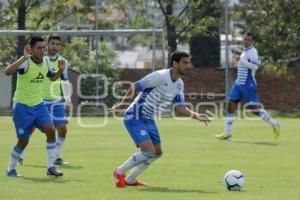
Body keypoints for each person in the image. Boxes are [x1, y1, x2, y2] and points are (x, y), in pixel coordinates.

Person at [110, 50, 211, 188]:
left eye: (189, 62)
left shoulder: (179, 84)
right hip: (135, 116)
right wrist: (123, 104)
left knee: (157, 153)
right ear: (175, 64)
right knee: (148, 152)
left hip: (148, 119)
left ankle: (131, 179)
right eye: (185, 63)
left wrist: (197, 116)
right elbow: (135, 86)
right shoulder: (161, 75)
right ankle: (119, 172)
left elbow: (180, 108)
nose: (188, 65)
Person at [5, 36, 64, 177]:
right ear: (31, 49)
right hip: (22, 107)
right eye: (39, 48)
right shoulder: (25, 63)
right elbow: (7, 72)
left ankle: (50, 167)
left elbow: (52, 77)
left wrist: (60, 71)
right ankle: (11, 169)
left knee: (51, 130)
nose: (43, 50)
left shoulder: (46, 62)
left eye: (44, 48)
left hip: (39, 105)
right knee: (23, 141)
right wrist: (23, 58)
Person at [18, 35, 72, 166]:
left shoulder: (62, 61)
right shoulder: (41, 59)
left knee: (63, 129)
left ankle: (56, 156)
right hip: (40, 100)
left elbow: (64, 80)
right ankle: (20, 155)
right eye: (53, 43)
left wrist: (67, 99)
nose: (55, 46)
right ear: (48, 45)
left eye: (58, 44)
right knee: (30, 129)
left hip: (56, 101)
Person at [215, 32, 280, 140]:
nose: (246, 41)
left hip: (248, 84)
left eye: (249, 40)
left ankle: (274, 124)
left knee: (253, 109)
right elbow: (253, 62)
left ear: (253, 42)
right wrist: (242, 60)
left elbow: (255, 67)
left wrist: (242, 61)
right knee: (231, 106)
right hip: (238, 83)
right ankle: (228, 133)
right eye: (245, 39)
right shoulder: (246, 51)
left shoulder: (253, 51)